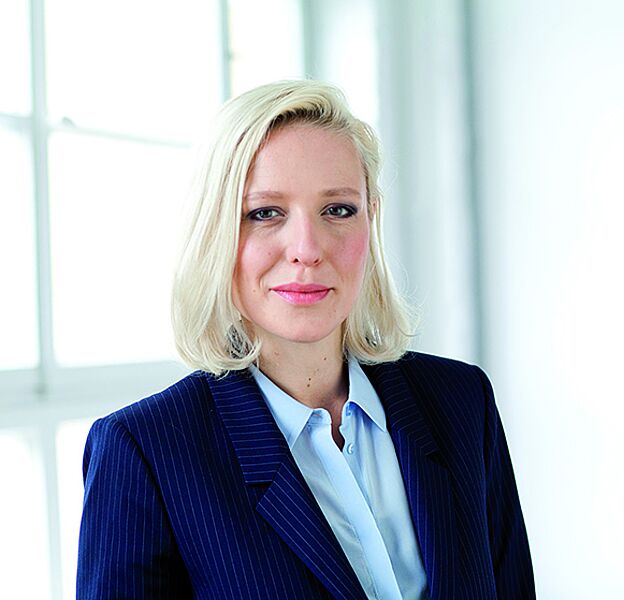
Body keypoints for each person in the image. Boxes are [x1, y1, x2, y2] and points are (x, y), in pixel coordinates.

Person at [77, 80, 535, 599]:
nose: (307, 248)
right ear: (216, 232)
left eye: (338, 209)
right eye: (264, 213)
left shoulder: (462, 401)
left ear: (370, 221)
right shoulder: (144, 452)